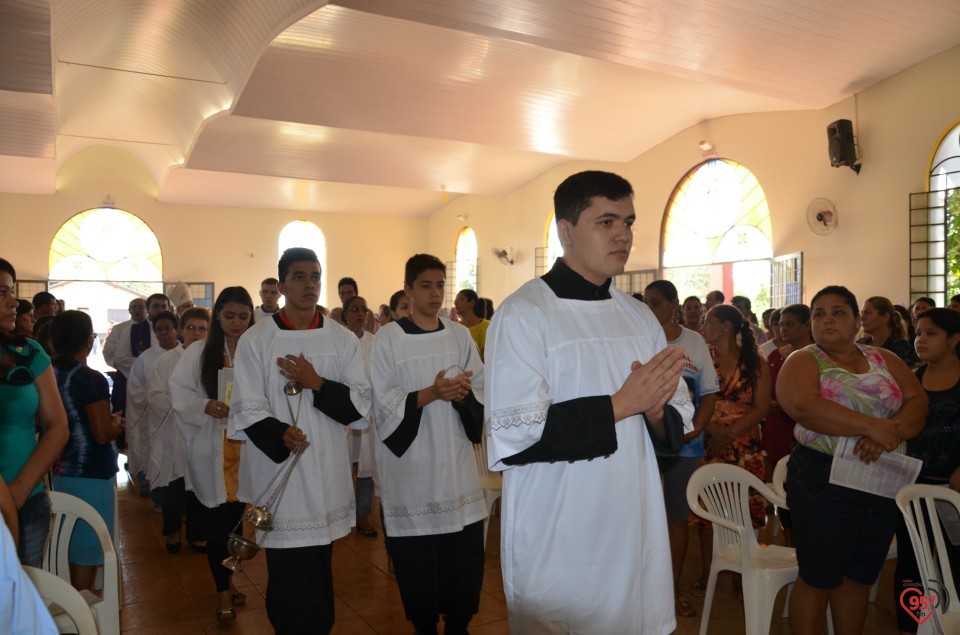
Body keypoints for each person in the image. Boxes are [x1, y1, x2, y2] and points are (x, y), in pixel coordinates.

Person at [485, 171, 691, 634]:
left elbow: (673, 429)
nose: (624, 234)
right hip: (560, 529)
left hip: (631, 524)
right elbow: (516, 434)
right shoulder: (524, 314)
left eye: (629, 222)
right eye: (607, 221)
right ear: (566, 230)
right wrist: (621, 403)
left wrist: (657, 411)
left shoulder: (640, 317)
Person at [230, 248, 370, 634]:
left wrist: (318, 383)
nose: (309, 285)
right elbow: (246, 404)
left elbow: (360, 405)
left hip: (324, 470)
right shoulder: (257, 339)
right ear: (281, 284)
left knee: (319, 566)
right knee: (287, 568)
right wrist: (279, 433)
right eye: (299, 277)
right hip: (281, 470)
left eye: (315, 277)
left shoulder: (342, 339)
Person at [777, 285, 928, 635]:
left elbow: (917, 401)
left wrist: (890, 432)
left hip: (881, 479)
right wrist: (872, 428)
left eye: (838, 312)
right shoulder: (804, 359)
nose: (828, 319)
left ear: (857, 319)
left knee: (859, 576)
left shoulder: (884, 359)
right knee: (818, 577)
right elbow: (802, 406)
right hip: (823, 482)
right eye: (819, 314)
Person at [372, 254, 486, 635]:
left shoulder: (459, 335)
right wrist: (430, 393)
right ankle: (423, 625)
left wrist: (463, 395)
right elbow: (382, 401)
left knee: (461, 554)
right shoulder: (389, 339)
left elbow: (481, 387)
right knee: (418, 560)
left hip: (455, 466)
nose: (436, 293)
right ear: (408, 289)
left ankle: (458, 624)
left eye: (440, 285)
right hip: (413, 470)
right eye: (426, 285)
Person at [172, 295, 253, 620]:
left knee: (236, 524)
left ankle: (229, 580)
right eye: (230, 315)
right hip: (211, 447)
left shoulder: (255, 351)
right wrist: (203, 405)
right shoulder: (198, 352)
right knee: (218, 527)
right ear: (218, 316)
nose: (236, 322)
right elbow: (179, 392)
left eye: (243, 316)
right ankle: (222, 591)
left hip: (246, 450)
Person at [643, 280, 719, 619]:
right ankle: (642, 591)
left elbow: (709, 390)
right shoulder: (639, 338)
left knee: (676, 518)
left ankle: (671, 591)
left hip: (684, 447)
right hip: (643, 443)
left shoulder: (693, 341)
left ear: (674, 304)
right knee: (642, 517)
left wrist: (698, 428)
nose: (649, 309)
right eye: (645, 303)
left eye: (656, 303)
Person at [694, 303, 770, 599]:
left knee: (743, 509)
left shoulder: (755, 363)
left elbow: (762, 407)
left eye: (707, 321)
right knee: (707, 511)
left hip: (744, 443)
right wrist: (712, 429)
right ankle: (706, 568)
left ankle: (743, 570)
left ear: (726, 326)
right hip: (708, 438)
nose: (703, 326)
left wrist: (731, 433)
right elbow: (690, 398)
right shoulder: (702, 359)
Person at [894, 308, 960, 632]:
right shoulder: (911, 379)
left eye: (931, 333)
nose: (920, 339)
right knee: (912, 563)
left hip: (953, 491)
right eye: (918, 332)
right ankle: (915, 626)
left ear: (954, 339)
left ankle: (950, 623)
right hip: (912, 489)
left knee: (955, 561)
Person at [49, 310, 124, 591]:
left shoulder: (50, 374)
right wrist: (116, 423)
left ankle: (71, 601)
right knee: (89, 546)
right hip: (91, 471)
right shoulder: (90, 378)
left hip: (61, 467)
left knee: (69, 539)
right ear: (88, 340)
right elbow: (102, 433)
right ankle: (81, 609)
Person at [0, 259, 68, 567]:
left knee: (21, 595)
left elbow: (57, 426)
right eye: (2, 293)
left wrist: (19, 490)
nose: (13, 301)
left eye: (11, 291)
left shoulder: (27, 352)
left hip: (26, 499)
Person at [146, 309, 208, 555]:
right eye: (191, 328)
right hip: (174, 433)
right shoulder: (166, 361)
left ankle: (198, 534)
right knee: (174, 489)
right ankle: (173, 533)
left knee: (200, 488)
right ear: (181, 331)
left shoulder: (212, 359)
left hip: (202, 432)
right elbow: (154, 395)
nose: (196, 333)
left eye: (202, 328)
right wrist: (185, 406)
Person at [339, 295, 378, 537]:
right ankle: (341, 512)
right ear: (345, 314)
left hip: (369, 411)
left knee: (366, 466)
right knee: (342, 464)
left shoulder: (375, 342)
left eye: (364, 309)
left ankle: (362, 513)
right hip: (342, 410)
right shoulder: (338, 340)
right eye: (354, 309)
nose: (360, 314)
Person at [764, 304, 813, 481]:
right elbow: (767, 390)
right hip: (777, 423)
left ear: (807, 325)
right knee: (776, 477)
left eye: (790, 324)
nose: (783, 329)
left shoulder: (819, 356)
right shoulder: (775, 356)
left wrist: (788, 405)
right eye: (781, 324)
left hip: (807, 425)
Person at [858, 296, 919, 367]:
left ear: (885, 317)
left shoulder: (901, 348)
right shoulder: (861, 345)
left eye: (867, 313)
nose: (862, 318)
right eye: (862, 313)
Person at [453, 288, 490, 361]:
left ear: (472, 302)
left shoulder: (485, 326)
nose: (456, 302)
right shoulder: (455, 327)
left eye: (461, 299)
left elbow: (489, 356)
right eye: (456, 299)